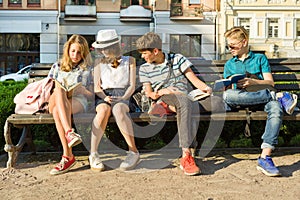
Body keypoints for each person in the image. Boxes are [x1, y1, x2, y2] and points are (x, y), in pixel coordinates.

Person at [135, 32, 224, 176]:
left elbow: (193, 79)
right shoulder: (145, 68)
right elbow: (150, 93)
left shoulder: (177, 59)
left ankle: (169, 109)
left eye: (145, 53)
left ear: (155, 51)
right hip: (165, 97)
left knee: (218, 103)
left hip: (187, 97)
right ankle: (186, 154)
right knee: (183, 102)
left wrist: (206, 89)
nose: (142, 56)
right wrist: (165, 91)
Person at [223, 26, 297, 177]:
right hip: (241, 99)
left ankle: (265, 158)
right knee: (227, 96)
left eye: (232, 45)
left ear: (244, 42)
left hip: (261, 97)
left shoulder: (259, 59)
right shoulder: (229, 64)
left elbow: (270, 82)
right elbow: (227, 91)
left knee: (276, 108)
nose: (230, 49)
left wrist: (253, 82)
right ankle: (278, 96)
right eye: (228, 46)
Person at [89, 29, 140, 171]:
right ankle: (93, 154)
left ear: (114, 46)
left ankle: (133, 152)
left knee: (118, 109)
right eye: (101, 48)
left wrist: (124, 98)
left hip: (124, 94)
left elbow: (132, 85)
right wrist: (104, 97)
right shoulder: (98, 63)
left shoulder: (130, 61)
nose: (103, 50)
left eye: (106, 47)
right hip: (104, 95)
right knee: (103, 110)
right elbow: (97, 88)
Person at [48, 34, 94, 175]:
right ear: (68, 50)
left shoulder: (87, 69)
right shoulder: (58, 65)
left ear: (84, 52)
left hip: (78, 100)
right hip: (56, 98)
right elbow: (51, 89)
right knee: (59, 88)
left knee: (57, 112)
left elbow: (92, 94)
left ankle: (67, 156)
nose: (75, 55)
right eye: (73, 51)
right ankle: (69, 132)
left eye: (79, 52)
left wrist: (81, 90)